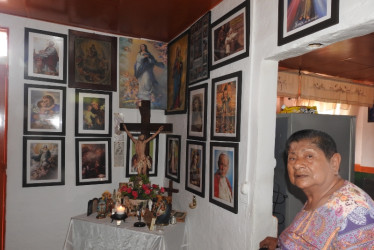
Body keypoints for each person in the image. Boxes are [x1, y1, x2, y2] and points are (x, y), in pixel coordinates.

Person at [260, 129, 374, 249]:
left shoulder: (355, 213)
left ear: (334, 162)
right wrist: (282, 243)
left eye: (309, 156)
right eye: (292, 158)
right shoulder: (317, 197)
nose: (297, 164)